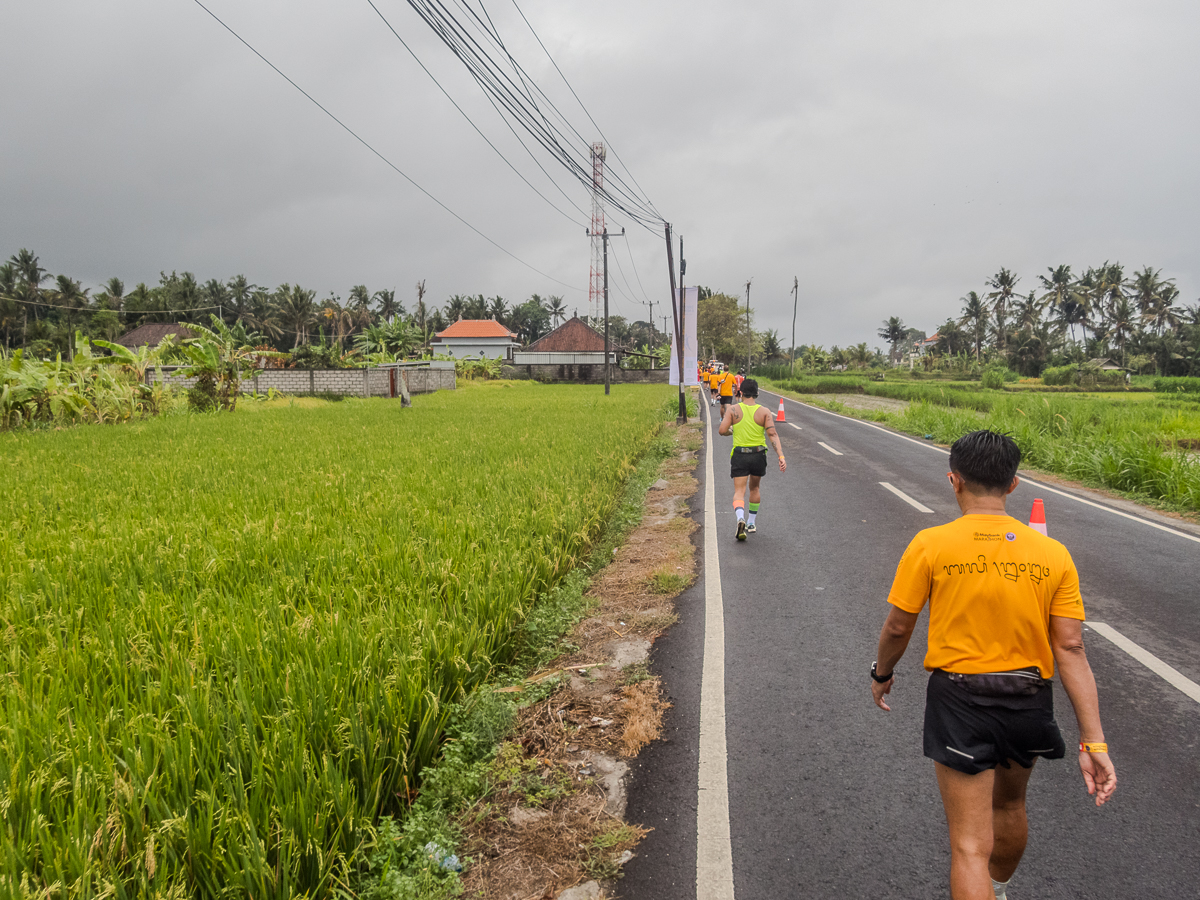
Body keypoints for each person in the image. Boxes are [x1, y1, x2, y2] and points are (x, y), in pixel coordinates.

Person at [870, 430, 1116, 900]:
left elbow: (899, 628)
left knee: (968, 846)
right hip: (1028, 699)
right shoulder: (1053, 554)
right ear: (1014, 485)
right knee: (1008, 807)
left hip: (960, 700)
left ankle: (985, 888)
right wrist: (1094, 741)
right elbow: (1071, 649)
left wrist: (881, 674)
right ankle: (998, 890)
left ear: (953, 480)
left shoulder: (930, 543)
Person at [717, 378, 786, 540]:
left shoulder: (733, 410)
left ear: (740, 392)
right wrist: (781, 456)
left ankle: (740, 517)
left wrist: (732, 431)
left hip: (740, 454)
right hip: (758, 454)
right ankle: (751, 523)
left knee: (739, 492)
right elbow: (772, 435)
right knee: (754, 488)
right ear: (757, 393)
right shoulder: (765, 412)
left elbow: (722, 430)